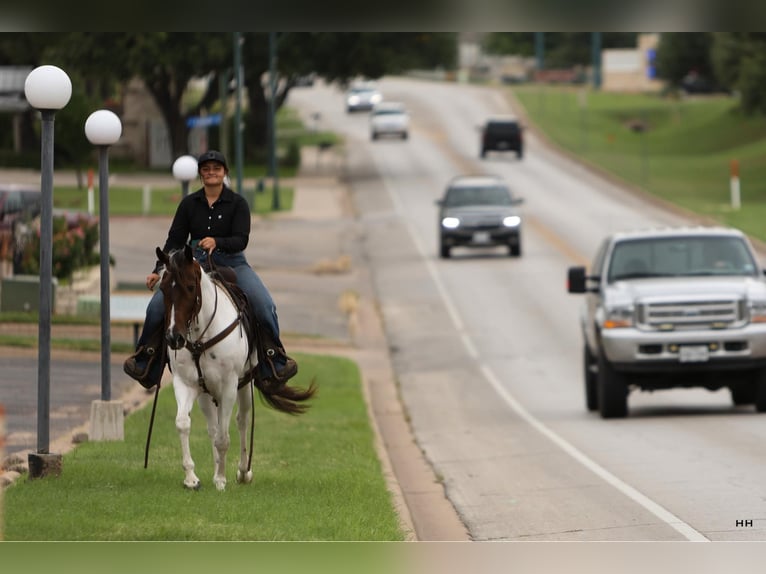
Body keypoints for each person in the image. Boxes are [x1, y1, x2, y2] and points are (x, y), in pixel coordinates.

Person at [123, 150, 297, 389]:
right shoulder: (188, 204)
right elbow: (174, 240)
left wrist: (218, 241)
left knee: (264, 303)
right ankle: (146, 360)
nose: (211, 173)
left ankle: (274, 361)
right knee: (156, 306)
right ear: (200, 174)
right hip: (195, 264)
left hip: (233, 262)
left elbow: (241, 239)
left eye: (216, 168)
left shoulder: (238, 203)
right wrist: (158, 269)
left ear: (224, 173)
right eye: (206, 169)